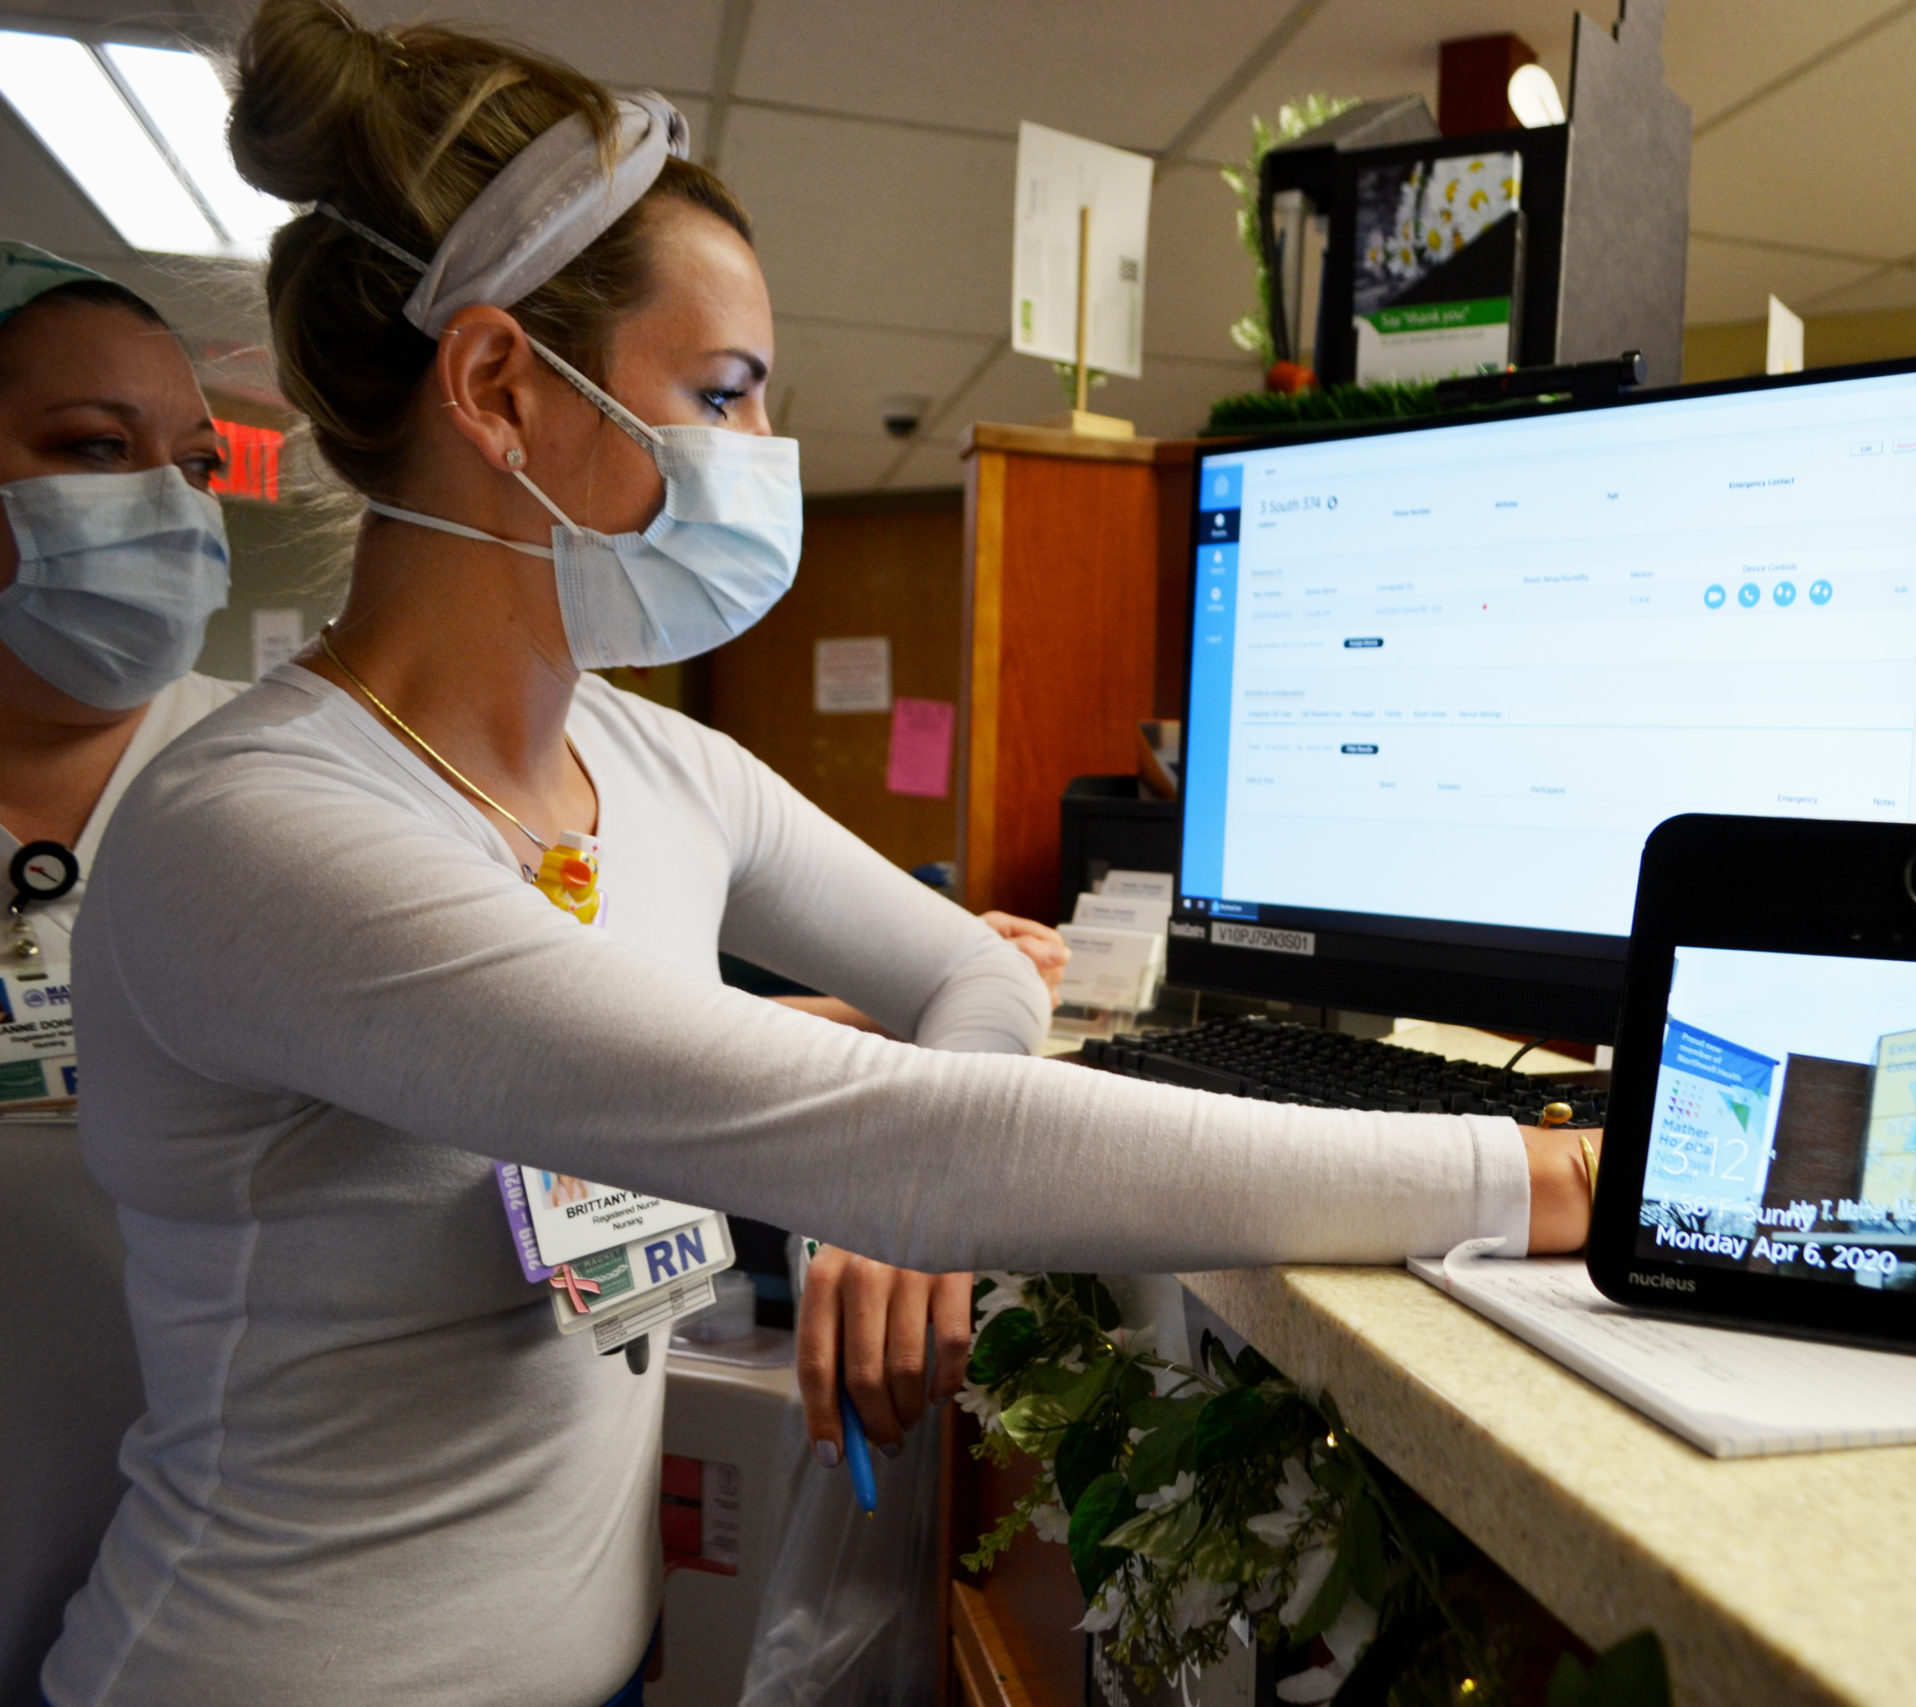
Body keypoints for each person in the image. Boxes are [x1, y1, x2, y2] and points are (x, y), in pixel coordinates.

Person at [41, 7, 1595, 1706]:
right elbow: (895, 1131)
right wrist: (1543, 1176)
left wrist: (899, 1213)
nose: (762, 452)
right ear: (500, 388)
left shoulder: (654, 764)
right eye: (721, 395)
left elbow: (967, 980)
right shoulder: (260, 833)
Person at [0, 243, 243, 1706]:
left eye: (198, 466)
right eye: (95, 450)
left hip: (222, 1614)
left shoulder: (285, 785)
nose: (165, 504)